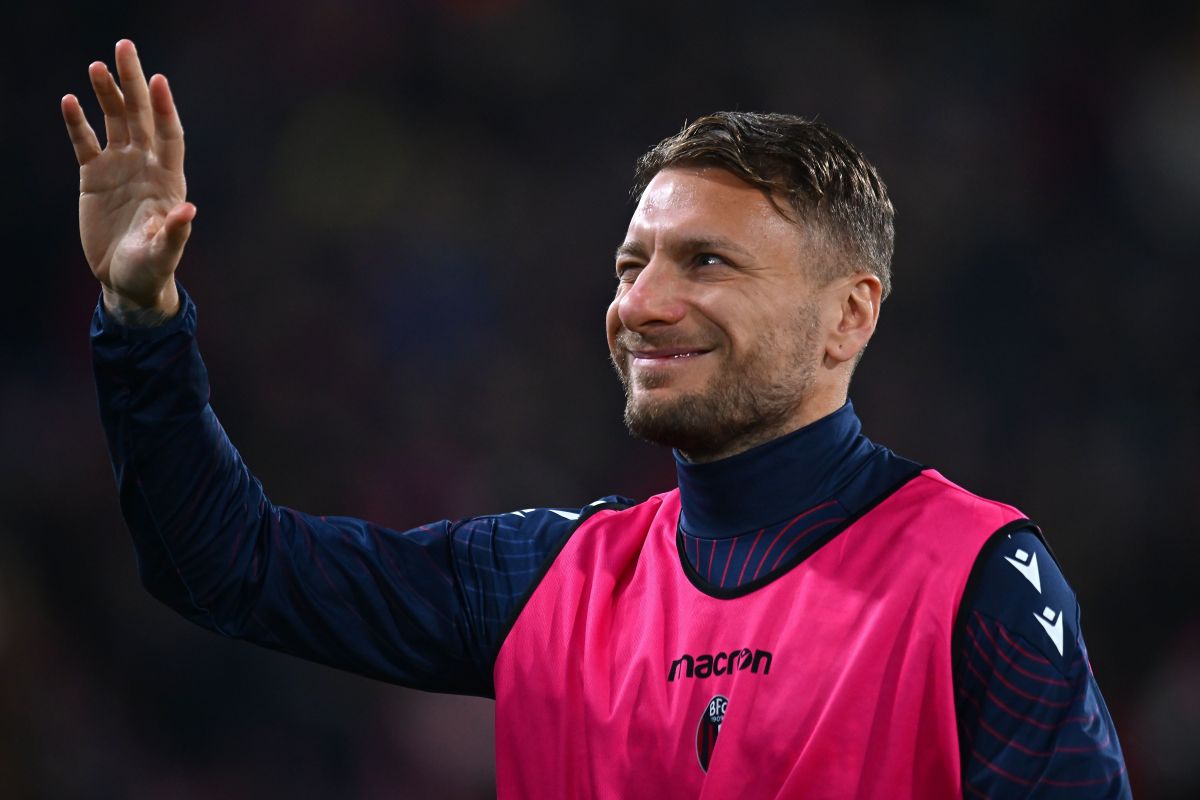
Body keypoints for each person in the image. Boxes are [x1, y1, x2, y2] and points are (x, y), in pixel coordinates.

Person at [63, 39, 1131, 799]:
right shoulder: (545, 579)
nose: (641, 302)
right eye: (632, 263)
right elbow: (225, 563)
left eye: (704, 260)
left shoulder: (977, 575)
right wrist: (140, 319)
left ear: (848, 313)